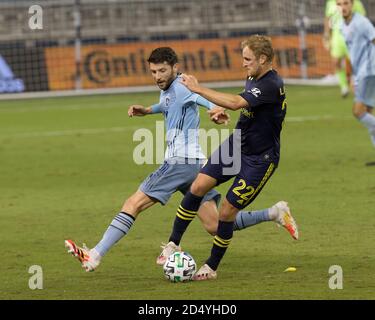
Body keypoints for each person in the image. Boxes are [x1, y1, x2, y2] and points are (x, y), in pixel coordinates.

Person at [65, 47, 296, 272]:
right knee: (215, 225)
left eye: (162, 71)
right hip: (195, 166)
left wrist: (215, 110)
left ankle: (94, 255)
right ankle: (274, 213)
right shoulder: (168, 89)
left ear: (175, 68)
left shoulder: (183, 85)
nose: (157, 76)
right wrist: (147, 110)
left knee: (133, 204)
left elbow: (203, 99)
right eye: (153, 72)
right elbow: (168, 104)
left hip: (180, 162)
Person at [157, 36, 298, 281]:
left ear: (262, 59)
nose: (243, 64)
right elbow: (244, 102)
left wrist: (198, 88)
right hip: (237, 145)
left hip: (259, 159)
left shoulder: (271, 83)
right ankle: (173, 243)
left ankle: (211, 266)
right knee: (198, 185)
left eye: (247, 59)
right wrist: (222, 109)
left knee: (225, 212)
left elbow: (236, 102)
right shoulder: (255, 76)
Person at [336, 0, 375, 158]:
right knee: (368, 113)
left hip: (370, 70)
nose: (343, 7)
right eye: (339, 4)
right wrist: (353, 75)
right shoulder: (341, 25)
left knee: (358, 111)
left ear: (352, 5)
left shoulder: (362, 22)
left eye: (346, 3)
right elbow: (351, 52)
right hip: (361, 72)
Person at [323, 0, 366, 98]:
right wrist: (326, 34)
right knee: (336, 62)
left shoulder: (356, 2)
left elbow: (362, 18)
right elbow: (328, 18)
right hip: (337, 37)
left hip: (352, 37)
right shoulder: (330, 2)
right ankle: (344, 86)